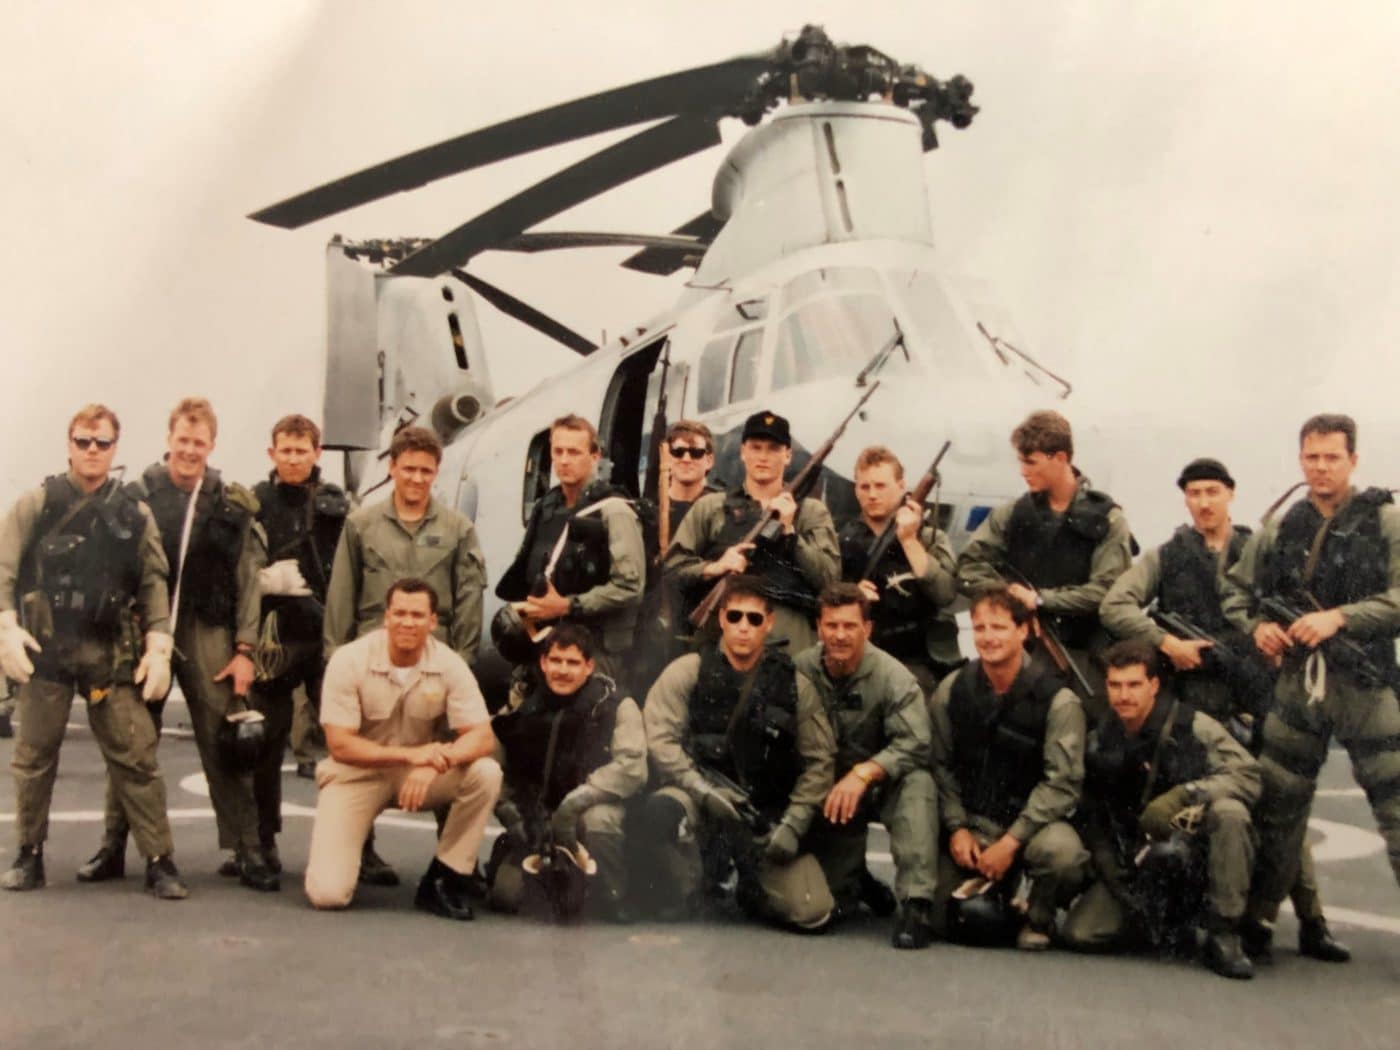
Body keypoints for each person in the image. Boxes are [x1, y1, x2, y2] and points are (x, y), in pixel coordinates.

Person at [1100, 456, 1346, 958]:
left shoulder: (1263, 552)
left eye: (1213, 491)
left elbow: (1301, 610)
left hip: (1257, 700)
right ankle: (1219, 914)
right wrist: (1167, 644)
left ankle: (1312, 920)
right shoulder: (1165, 556)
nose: (1204, 502)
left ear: (1230, 494)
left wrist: (1279, 643)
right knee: (1209, 812)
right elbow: (1115, 605)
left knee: (1283, 809)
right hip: (1195, 709)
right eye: (1194, 493)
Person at [75, 397, 275, 891]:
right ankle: (113, 845)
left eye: (199, 442)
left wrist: (245, 649)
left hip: (206, 628)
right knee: (130, 739)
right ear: (169, 440)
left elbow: (249, 580)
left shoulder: (230, 503)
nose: (189, 451)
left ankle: (246, 848)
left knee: (225, 739)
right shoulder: (136, 495)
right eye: (182, 440)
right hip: (145, 629)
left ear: (212, 444)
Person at [1221, 413, 1400, 957]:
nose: (1321, 467)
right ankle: (1258, 923)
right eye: (1312, 457)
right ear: (1301, 459)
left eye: (1332, 458)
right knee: (1278, 809)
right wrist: (1260, 629)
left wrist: (1340, 618)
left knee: (1396, 808)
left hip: (1365, 685)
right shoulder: (1280, 527)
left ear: (1354, 460)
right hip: (1298, 685)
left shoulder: (1385, 522)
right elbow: (1236, 593)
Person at [0, 404, 186, 898]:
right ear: (69, 444)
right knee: (34, 756)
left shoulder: (133, 512)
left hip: (108, 651)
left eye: (101, 443)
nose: (92, 451)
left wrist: (159, 642)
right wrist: (5, 628)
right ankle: (29, 853)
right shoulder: (38, 504)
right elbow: (4, 569)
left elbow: (153, 579)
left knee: (135, 754)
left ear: (114, 449)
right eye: (83, 441)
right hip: (47, 649)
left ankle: (159, 859)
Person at [323, 424, 487, 885]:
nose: (417, 478)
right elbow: (342, 594)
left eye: (426, 471)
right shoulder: (361, 525)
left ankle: (454, 858)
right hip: (373, 660)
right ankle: (363, 847)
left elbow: (469, 597)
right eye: (408, 468)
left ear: (437, 473)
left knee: (450, 754)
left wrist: (465, 662)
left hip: (438, 664)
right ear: (392, 468)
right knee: (368, 749)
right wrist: (335, 656)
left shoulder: (458, 529)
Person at [641, 575, 836, 929]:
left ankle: (753, 885)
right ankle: (689, 886)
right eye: (735, 617)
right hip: (699, 799)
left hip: (761, 813)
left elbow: (819, 762)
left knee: (812, 912)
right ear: (721, 619)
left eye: (754, 618)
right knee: (660, 812)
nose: (743, 627)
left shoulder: (794, 684)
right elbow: (661, 740)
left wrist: (793, 823)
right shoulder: (689, 671)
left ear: (769, 623)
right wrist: (700, 790)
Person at [304, 578, 501, 918]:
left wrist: (437, 762)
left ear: (433, 621)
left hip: (419, 774)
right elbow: (340, 745)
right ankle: (352, 854)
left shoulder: (449, 663)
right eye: (399, 614)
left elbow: (482, 736)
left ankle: (445, 877)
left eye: (417, 615)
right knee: (328, 894)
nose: (407, 623)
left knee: (486, 772)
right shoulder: (349, 660)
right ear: (386, 617)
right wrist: (412, 756)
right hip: (357, 774)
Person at [1063, 641, 1261, 979]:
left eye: (1134, 685)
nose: (1124, 695)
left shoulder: (1193, 725)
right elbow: (1092, 811)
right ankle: (1162, 922)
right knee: (1081, 933)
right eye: (1115, 685)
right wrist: (1112, 872)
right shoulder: (1101, 735)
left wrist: (1188, 794)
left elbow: (1248, 775)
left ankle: (1224, 931)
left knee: (1230, 812)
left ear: (1153, 685)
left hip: (1196, 850)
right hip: (1138, 857)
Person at [928, 587, 1088, 950]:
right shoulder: (953, 689)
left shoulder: (1059, 701)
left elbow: (1062, 784)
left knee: (1062, 854)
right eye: (980, 628)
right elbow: (940, 764)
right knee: (943, 919)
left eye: (998, 627)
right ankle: (1000, 893)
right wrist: (956, 828)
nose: (988, 637)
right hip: (974, 823)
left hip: (1031, 828)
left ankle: (1037, 916)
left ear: (1024, 630)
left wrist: (1012, 842)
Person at [955, 410, 1133, 717]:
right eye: (1021, 461)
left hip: (1085, 655)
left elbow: (1107, 591)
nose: (1023, 471)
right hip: (1026, 653)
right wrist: (1011, 595)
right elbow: (969, 566)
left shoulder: (1108, 520)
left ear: (1060, 458)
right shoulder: (1013, 515)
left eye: (1031, 462)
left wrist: (1041, 600)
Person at [797, 583, 939, 949]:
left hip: (879, 782)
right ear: (819, 627)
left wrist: (865, 773)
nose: (840, 635)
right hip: (826, 786)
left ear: (867, 629)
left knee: (918, 784)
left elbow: (917, 742)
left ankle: (916, 904)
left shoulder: (894, 678)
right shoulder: (800, 669)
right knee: (827, 904)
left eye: (849, 626)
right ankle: (856, 879)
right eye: (831, 626)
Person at [243, 414, 350, 873]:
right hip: (276, 637)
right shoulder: (255, 503)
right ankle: (262, 840)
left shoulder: (340, 504)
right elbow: (241, 569)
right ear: (272, 453)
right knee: (265, 742)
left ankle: (357, 846)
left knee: (346, 741)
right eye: (285, 450)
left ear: (316, 453)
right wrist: (269, 582)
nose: (293, 459)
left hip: (327, 636)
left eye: (301, 450)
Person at [487, 623, 645, 920]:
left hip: (590, 810)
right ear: (543, 663)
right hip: (538, 815)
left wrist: (575, 804)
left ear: (589, 666)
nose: (562, 670)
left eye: (572, 662)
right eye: (556, 661)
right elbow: (494, 763)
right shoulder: (524, 704)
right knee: (506, 897)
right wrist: (510, 812)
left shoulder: (616, 705)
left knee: (600, 825)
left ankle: (613, 893)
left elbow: (632, 768)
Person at [665, 409, 839, 654]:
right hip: (726, 634)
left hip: (790, 636)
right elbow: (672, 567)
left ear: (788, 455)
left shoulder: (811, 512)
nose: (763, 457)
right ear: (743, 452)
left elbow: (830, 579)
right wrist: (715, 567)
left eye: (773, 449)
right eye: (756, 447)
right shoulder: (711, 507)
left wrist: (790, 532)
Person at [495, 414, 645, 679]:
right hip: (545, 643)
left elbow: (630, 587)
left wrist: (567, 606)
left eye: (574, 452)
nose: (564, 460)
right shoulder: (546, 507)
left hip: (592, 652)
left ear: (595, 456)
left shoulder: (614, 511)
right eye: (558, 451)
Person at [838, 445, 959, 694]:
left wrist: (909, 540)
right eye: (864, 487)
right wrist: (850, 594)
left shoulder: (929, 536)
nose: (872, 494)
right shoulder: (842, 539)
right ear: (856, 490)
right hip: (857, 659)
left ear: (902, 486)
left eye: (880, 486)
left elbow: (945, 593)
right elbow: (824, 594)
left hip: (915, 661)